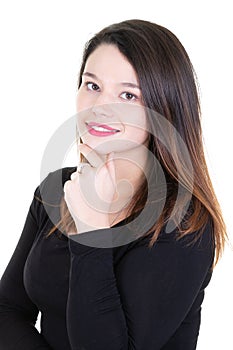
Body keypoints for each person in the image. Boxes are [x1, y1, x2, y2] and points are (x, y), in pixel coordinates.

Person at [0, 19, 227, 350]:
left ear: (163, 109)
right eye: (92, 86)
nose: (100, 108)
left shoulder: (184, 224)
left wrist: (92, 232)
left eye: (128, 94)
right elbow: (8, 310)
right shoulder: (57, 189)